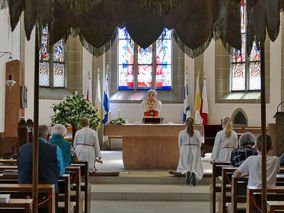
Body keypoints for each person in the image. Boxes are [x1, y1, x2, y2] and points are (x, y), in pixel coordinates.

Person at [17, 125, 65, 213]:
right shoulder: (55, 149)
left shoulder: (22, 149)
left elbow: (19, 169)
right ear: (48, 136)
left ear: (32, 136)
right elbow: (61, 172)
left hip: (26, 191)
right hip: (48, 193)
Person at [177, 118, 204, 186]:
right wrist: (199, 151)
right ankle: (194, 172)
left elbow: (179, 143)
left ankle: (187, 172)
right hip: (195, 149)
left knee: (186, 163)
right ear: (193, 123)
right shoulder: (197, 132)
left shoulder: (181, 132)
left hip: (185, 148)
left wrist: (181, 151)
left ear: (186, 123)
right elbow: (200, 142)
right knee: (195, 163)